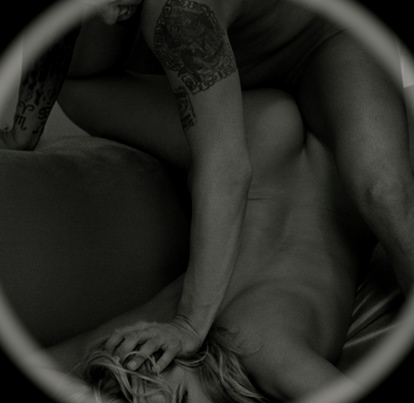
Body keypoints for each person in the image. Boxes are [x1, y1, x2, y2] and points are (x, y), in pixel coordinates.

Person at [0, 0, 411, 399]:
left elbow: (227, 169)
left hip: (316, 63)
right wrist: (22, 133)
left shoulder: (177, 327)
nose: (147, 368)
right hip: (278, 141)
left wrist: (189, 325)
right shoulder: (261, 350)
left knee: (385, 193)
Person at [46, 85, 382, 401]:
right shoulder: (154, 329)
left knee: (78, 84)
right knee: (77, 87)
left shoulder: (267, 355)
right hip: (266, 140)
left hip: (273, 150)